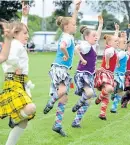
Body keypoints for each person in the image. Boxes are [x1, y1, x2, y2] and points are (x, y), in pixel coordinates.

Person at [43, 0, 81, 137]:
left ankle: (57, 125)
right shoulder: (67, 37)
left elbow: (72, 21)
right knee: (63, 91)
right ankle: (51, 101)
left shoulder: (68, 34)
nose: (75, 26)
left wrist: (76, 9)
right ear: (66, 26)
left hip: (61, 69)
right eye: (73, 25)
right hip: (60, 68)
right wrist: (65, 55)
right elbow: (63, 46)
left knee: (64, 98)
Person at [0, 3, 36, 145]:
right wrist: (17, 66)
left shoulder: (18, 43)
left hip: (20, 82)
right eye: (25, 33)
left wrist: (25, 16)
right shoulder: (14, 44)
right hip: (14, 81)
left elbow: (21, 30)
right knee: (30, 109)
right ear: (15, 34)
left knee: (24, 122)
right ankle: (14, 118)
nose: (27, 35)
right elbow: (9, 57)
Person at [71, 15, 103, 128]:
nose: (96, 37)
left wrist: (100, 24)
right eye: (93, 36)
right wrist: (82, 59)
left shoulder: (93, 46)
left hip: (89, 75)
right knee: (89, 94)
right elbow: (76, 49)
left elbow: (97, 34)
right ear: (86, 37)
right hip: (82, 74)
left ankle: (76, 122)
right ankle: (78, 104)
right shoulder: (86, 45)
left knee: (88, 101)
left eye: (96, 36)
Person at [94, 34, 118, 120]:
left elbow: (113, 39)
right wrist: (107, 63)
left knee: (107, 95)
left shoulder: (112, 48)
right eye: (116, 41)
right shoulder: (110, 49)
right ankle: (99, 98)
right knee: (109, 89)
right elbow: (107, 54)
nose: (117, 42)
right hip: (105, 72)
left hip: (109, 74)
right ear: (110, 42)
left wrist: (116, 31)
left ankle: (102, 114)